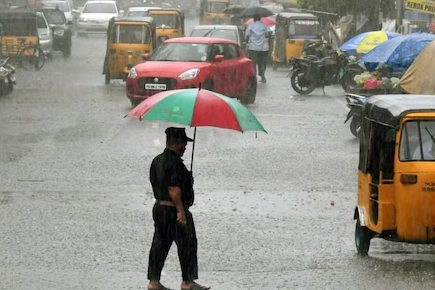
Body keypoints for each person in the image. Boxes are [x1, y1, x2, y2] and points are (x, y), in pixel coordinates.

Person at [147, 127, 210, 290]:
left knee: (160, 244)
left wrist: (187, 180)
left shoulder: (156, 160)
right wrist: (181, 211)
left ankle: (154, 282)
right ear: (177, 143)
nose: (185, 147)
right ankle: (187, 282)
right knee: (187, 243)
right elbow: (173, 189)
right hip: (175, 211)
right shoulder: (174, 163)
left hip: (160, 209)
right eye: (184, 143)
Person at [245, 14, 271, 83]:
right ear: (260, 19)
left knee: (253, 63)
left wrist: (247, 41)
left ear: (254, 19)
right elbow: (267, 35)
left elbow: (247, 36)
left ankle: (254, 77)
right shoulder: (264, 26)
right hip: (261, 49)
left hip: (252, 48)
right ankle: (262, 76)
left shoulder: (250, 26)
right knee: (261, 63)